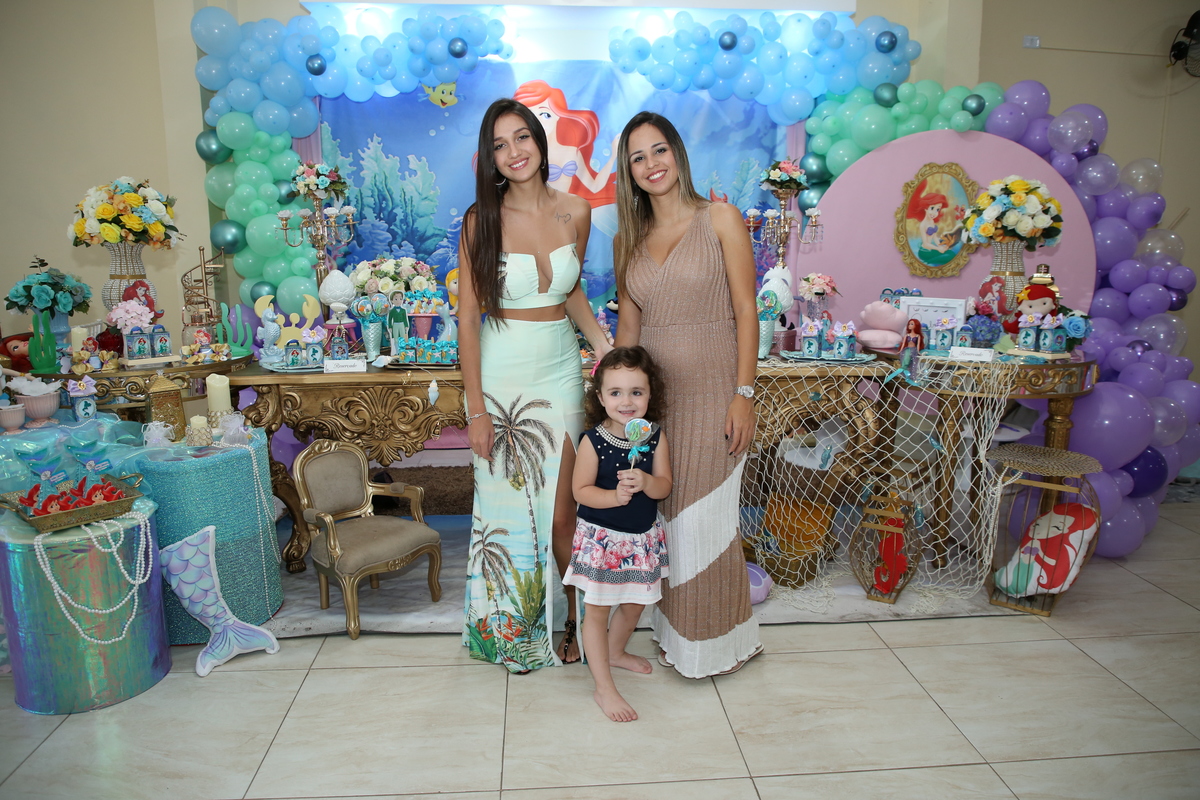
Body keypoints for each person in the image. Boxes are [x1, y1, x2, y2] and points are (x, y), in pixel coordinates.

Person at [460, 98, 612, 672]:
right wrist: (477, 410)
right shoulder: (480, 220)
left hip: (562, 370)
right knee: (507, 508)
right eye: (499, 145)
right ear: (490, 158)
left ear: (539, 142)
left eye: (521, 137)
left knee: (563, 513)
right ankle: (510, 632)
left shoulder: (577, 210)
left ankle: (574, 623)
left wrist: (605, 349)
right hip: (503, 375)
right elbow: (467, 319)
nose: (514, 152)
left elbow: (570, 292)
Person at [612, 111, 762, 678]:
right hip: (655, 404)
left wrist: (744, 393)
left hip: (717, 392)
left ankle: (716, 644)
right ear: (628, 171)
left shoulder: (720, 218)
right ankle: (676, 637)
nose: (651, 164)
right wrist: (617, 409)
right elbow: (629, 334)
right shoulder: (628, 241)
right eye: (638, 157)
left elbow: (746, 309)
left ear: (677, 152)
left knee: (706, 521)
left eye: (659, 150)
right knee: (668, 519)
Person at [566, 346, 672, 721]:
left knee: (635, 603)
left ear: (650, 394)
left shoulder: (654, 437)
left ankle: (615, 651)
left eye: (636, 392)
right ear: (600, 397)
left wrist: (646, 481)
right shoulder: (592, 441)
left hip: (641, 538)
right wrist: (613, 496)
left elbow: (664, 486)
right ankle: (604, 688)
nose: (626, 402)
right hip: (602, 541)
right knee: (596, 612)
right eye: (616, 393)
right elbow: (580, 491)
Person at [514, 80, 618, 207]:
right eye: (532, 117)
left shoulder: (572, 152)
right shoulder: (528, 156)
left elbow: (594, 187)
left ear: (557, 114)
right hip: (540, 213)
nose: (539, 123)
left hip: (567, 213)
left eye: (545, 115)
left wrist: (613, 156)